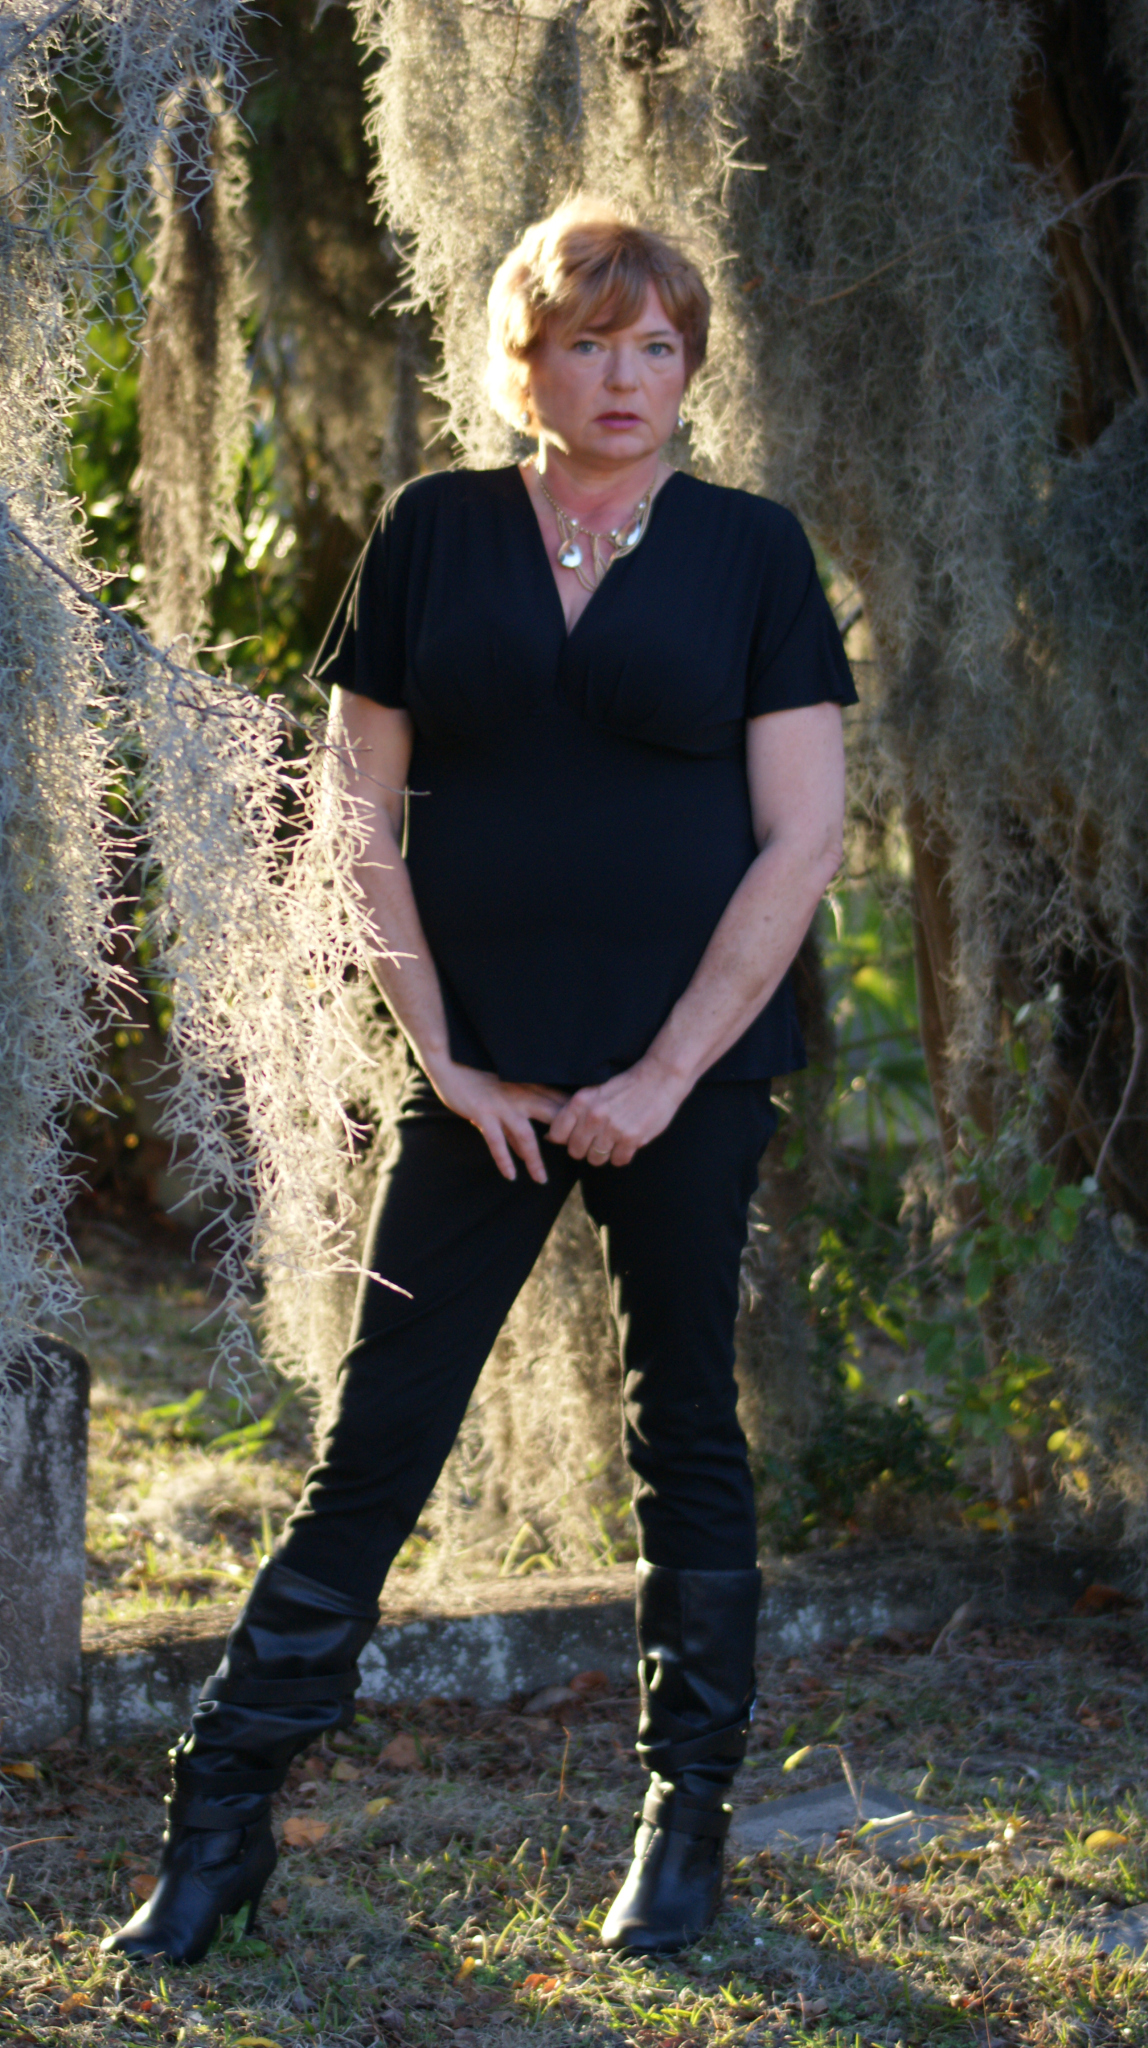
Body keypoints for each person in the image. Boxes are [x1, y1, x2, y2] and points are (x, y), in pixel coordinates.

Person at [103, 197, 855, 1968]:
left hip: (691, 1080)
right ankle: (218, 1826)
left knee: (688, 1431)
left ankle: (685, 1828)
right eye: (591, 342)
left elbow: (803, 838)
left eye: (657, 345)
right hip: (480, 1084)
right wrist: (442, 1055)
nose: (627, 376)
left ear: (689, 367)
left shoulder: (753, 551)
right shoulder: (435, 532)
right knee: (379, 1438)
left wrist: (662, 1075)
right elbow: (358, 814)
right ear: (528, 360)